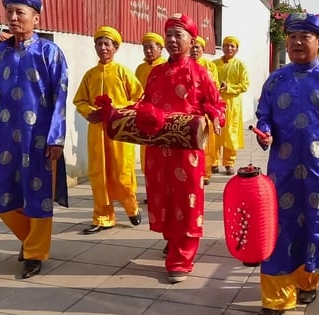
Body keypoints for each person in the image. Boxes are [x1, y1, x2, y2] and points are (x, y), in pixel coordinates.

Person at [254, 13, 319, 314]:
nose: (297, 42)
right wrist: (265, 133)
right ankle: (276, 297)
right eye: (292, 36)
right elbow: (264, 115)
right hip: (281, 172)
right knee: (279, 229)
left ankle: (307, 282)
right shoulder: (276, 80)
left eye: (305, 36)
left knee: (315, 225)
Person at [0, 0, 69, 279]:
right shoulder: (1, 52)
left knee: (38, 195)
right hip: (7, 134)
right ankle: (30, 243)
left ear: (36, 19)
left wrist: (56, 138)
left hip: (39, 137)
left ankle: (35, 253)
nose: (13, 18)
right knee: (1, 191)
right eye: (9, 12)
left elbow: (60, 97)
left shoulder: (49, 52)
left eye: (20, 13)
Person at [141, 13, 225, 283]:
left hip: (186, 151)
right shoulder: (156, 73)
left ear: (191, 40)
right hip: (157, 150)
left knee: (186, 202)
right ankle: (172, 240)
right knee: (162, 198)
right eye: (169, 35)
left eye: (179, 35)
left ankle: (182, 258)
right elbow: (144, 103)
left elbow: (216, 103)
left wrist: (215, 117)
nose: (173, 40)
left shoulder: (200, 72)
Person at [73, 26, 144, 234]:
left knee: (122, 173)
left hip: (120, 130)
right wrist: (90, 111)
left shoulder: (123, 72)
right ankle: (103, 217)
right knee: (99, 174)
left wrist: (119, 110)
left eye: (107, 44)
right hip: (97, 131)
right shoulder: (90, 75)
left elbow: (138, 97)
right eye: (99, 44)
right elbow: (80, 100)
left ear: (116, 48)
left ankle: (132, 207)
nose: (102, 48)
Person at [135, 32, 167, 202]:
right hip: (144, 117)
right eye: (145, 47)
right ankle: (151, 191)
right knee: (146, 157)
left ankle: (163, 191)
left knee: (162, 157)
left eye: (151, 47)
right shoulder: (140, 69)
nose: (148, 50)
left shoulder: (165, 67)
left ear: (161, 49)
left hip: (162, 118)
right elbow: (135, 92)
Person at [212, 36, 249, 175]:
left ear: (237, 49)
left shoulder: (240, 65)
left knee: (230, 134)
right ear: (222, 47)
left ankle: (229, 163)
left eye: (232, 46)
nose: (229, 48)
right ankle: (213, 162)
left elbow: (244, 85)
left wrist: (229, 87)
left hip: (233, 105)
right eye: (226, 45)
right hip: (215, 103)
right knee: (214, 133)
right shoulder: (214, 64)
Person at [189, 36, 220, 185]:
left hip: (205, 110)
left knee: (206, 144)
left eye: (197, 47)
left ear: (202, 49)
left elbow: (214, 88)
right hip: (188, 112)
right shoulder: (184, 65)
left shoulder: (208, 66)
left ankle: (206, 173)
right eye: (192, 47)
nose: (194, 50)